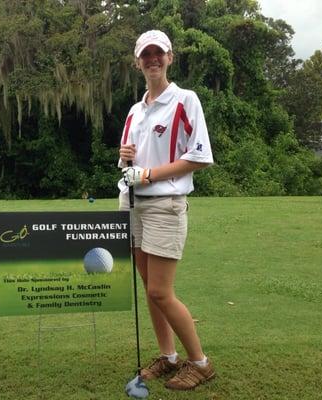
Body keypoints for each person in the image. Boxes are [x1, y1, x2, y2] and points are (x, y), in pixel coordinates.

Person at [118, 30, 215, 391]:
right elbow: (127, 158)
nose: (153, 60)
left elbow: (200, 156)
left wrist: (149, 174)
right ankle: (168, 356)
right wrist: (127, 158)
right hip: (133, 204)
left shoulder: (184, 100)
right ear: (137, 62)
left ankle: (200, 363)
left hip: (164, 205)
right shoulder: (134, 110)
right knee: (149, 288)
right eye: (146, 55)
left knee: (160, 291)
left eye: (159, 54)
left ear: (170, 58)